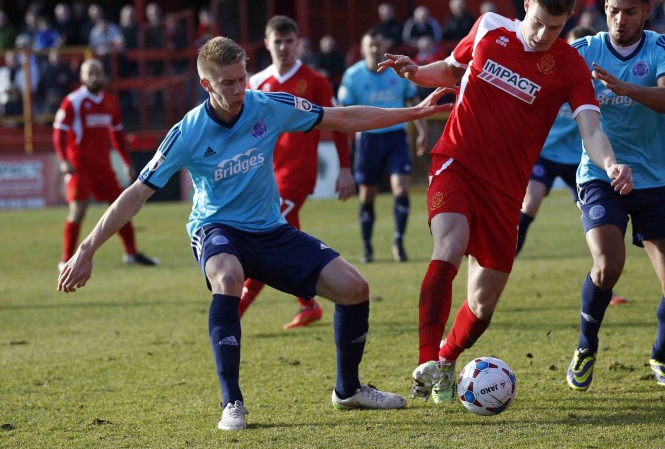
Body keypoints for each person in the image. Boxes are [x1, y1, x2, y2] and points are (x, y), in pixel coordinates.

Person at [57, 36, 454, 430]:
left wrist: (414, 113)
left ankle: (348, 391)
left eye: (241, 78)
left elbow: (344, 118)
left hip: (270, 231)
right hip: (217, 229)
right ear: (206, 85)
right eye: (227, 83)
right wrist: (87, 249)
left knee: (355, 288)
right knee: (228, 278)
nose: (238, 90)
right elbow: (134, 196)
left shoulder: (267, 105)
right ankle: (232, 404)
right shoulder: (188, 132)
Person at [378, 0, 633, 404]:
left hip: (505, 190)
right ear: (527, 6)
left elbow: (590, 126)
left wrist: (610, 163)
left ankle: (445, 357)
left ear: (568, 21)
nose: (542, 35)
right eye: (537, 22)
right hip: (456, 161)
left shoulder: (568, 64)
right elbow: (452, 70)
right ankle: (426, 361)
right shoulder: (489, 27)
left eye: (555, 27)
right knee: (450, 244)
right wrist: (417, 71)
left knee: (482, 304)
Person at [564, 0, 665, 391]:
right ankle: (585, 347)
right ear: (605, 9)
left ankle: (661, 355)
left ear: (646, 11)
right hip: (601, 174)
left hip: (654, 182)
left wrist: (625, 88)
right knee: (607, 265)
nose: (620, 19)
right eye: (613, 10)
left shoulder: (662, 49)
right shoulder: (584, 50)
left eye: (630, 11)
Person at [239, 15, 356, 329]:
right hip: (265, 175)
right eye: (277, 41)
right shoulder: (257, 82)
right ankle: (308, 303)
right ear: (267, 44)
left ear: (298, 43)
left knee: (264, 236)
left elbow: (341, 122)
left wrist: (345, 168)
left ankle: (233, 312)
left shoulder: (315, 81)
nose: (283, 47)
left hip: (298, 174)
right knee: (283, 235)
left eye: (289, 41)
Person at [514, 25, 629, 306]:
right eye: (572, 47)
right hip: (546, 154)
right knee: (531, 202)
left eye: (583, 50)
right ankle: (501, 264)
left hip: (579, 159)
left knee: (597, 219)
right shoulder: (553, 75)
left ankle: (605, 284)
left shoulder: (597, 84)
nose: (576, 54)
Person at [52, 58, 158, 270]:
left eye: (97, 72)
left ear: (104, 76)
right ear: (82, 77)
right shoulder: (73, 101)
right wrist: (64, 161)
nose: (94, 77)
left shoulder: (110, 102)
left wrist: (126, 163)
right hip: (80, 166)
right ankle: (65, 260)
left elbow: (118, 136)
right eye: (89, 73)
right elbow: (58, 134)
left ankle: (131, 253)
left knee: (122, 207)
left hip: (104, 166)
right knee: (78, 210)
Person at [338, 29, 428, 264]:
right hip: (368, 139)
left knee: (401, 189)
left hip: (396, 137)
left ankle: (398, 242)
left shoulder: (396, 72)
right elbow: (343, 109)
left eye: (378, 44)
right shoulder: (353, 75)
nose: (375, 49)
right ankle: (367, 248)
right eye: (371, 45)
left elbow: (413, 102)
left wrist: (423, 130)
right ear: (363, 48)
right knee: (367, 195)